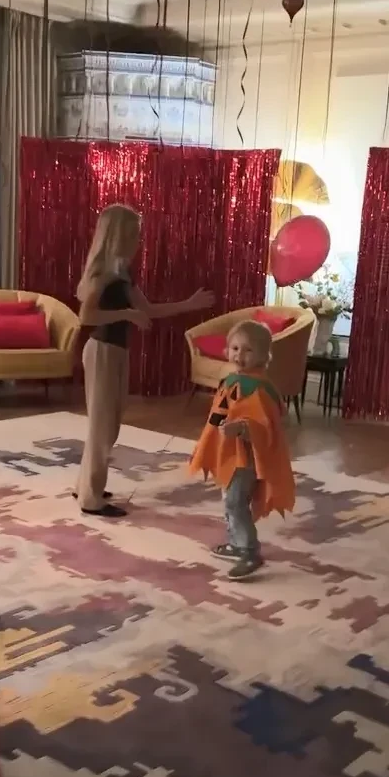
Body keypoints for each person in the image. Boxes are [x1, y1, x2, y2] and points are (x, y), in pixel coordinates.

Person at [76, 203, 214, 518]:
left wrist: (189, 304)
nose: (137, 241)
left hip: (115, 351)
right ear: (117, 235)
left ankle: (85, 485)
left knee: (107, 425)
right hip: (102, 351)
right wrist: (127, 314)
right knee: (102, 427)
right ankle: (90, 498)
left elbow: (148, 309)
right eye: (133, 234)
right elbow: (86, 317)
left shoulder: (122, 272)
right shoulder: (104, 273)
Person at [189, 320, 296, 580]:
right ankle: (236, 542)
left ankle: (249, 550)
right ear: (227, 351)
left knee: (236, 501)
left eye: (248, 350)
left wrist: (242, 428)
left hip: (246, 459)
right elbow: (218, 413)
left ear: (263, 356)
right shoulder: (232, 381)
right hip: (229, 453)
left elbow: (266, 425)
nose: (240, 355)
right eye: (235, 348)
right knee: (229, 498)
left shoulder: (259, 389)